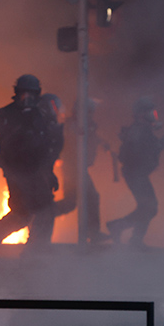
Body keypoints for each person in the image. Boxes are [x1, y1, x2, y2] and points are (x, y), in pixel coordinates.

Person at [0, 75, 63, 261]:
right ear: (16, 93)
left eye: (31, 94)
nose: (27, 97)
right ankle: (31, 251)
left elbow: (44, 146)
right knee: (29, 211)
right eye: (23, 93)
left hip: (36, 170)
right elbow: (7, 139)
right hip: (16, 170)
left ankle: (3, 240)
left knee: (37, 210)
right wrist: (23, 124)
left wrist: (48, 173)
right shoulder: (5, 114)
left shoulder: (39, 115)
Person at [107, 97, 164, 247]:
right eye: (149, 112)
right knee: (149, 206)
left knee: (148, 207)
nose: (153, 115)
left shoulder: (142, 130)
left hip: (137, 173)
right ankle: (126, 233)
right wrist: (157, 146)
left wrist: (158, 146)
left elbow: (145, 149)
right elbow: (138, 152)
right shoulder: (138, 130)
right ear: (140, 114)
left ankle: (128, 235)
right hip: (135, 173)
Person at [56, 98, 111, 243]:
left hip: (78, 168)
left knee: (74, 201)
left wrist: (102, 143)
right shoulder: (71, 125)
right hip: (72, 168)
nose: (92, 115)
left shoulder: (86, 126)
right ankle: (40, 217)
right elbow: (70, 139)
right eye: (89, 111)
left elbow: (91, 137)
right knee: (84, 199)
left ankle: (93, 232)